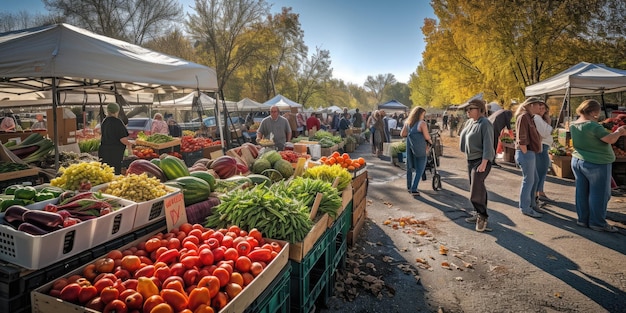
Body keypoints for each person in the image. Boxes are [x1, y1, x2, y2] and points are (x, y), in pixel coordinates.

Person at [570, 99, 626, 232]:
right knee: (599, 194)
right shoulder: (593, 126)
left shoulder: (574, 124)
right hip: (597, 162)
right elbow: (610, 139)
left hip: (578, 160)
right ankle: (598, 223)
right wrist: (619, 131)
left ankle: (583, 219)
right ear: (594, 112)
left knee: (582, 192)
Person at [459, 99, 495, 232]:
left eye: (471, 109)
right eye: (467, 109)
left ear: (480, 110)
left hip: (481, 160)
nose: (467, 111)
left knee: (475, 190)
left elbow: (488, 143)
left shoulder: (485, 123)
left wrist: (485, 161)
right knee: (478, 188)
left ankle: (482, 217)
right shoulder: (470, 122)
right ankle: (478, 212)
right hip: (471, 160)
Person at [514, 97, 544, 218]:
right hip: (526, 153)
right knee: (529, 181)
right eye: (538, 105)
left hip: (529, 152)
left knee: (534, 179)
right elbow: (521, 137)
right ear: (531, 105)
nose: (540, 108)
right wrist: (525, 151)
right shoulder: (524, 117)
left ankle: (531, 204)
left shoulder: (529, 117)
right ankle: (525, 207)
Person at [401, 106, 432, 196]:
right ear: (420, 114)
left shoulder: (408, 123)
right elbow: (427, 137)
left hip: (410, 148)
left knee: (409, 168)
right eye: (423, 114)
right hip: (420, 149)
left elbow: (402, 134)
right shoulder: (422, 123)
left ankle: (409, 186)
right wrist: (430, 141)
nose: (424, 116)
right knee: (420, 169)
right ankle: (414, 189)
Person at [98, 103, 132, 175]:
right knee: (115, 172)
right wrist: (130, 144)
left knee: (106, 172)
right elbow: (122, 139)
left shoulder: (105, 121)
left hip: (104, 152)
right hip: (114, 153)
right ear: (117, 111)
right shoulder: (117, 122)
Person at [533, 103, 554, 202]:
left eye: (543, 108)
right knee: (541, 170)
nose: (541, 110)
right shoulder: (537, 118)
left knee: (542, 170)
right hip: (541, 146)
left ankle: (540, 191)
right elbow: (544, 133)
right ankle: (538, 192)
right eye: (539, 108)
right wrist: (549, 124)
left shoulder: (541, 118)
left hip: (543, 146)